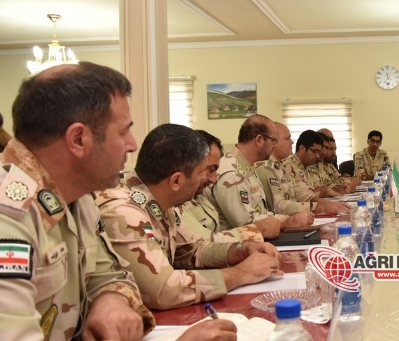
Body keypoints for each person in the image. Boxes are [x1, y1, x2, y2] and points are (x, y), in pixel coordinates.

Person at [0, 63, 236, 341]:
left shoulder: (79, 199)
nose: (132, 144)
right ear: (78, 139)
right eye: (123, 131)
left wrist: (110, 299)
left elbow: (112, 274)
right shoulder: (9, 216)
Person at [97, 123, 283, 310]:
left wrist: (242, 249)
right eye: (201, 172)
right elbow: (164, 290)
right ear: (176, 181)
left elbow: (194, 250)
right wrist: (240, 273)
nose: (208, 179)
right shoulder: (124, 211)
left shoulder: (163, 203)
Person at [178, 130, 280, 242]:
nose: (213, 179)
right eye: (209, 169)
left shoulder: (199, 196)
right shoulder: (175, 205)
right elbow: (203, 244)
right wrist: (258, 230)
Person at [203, 115, 282, 230]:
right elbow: (246, 224)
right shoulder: (232, 174)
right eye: (274, 140)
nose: (275, 145)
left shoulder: (246, 166)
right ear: (259, 140)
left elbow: (260, 212)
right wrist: (285, 221)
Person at [256, 124, 349, 215]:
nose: (292, 142)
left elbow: (297, 193)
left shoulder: (279, 166)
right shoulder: (267, 168)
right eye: (287, 138)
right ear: (274, 141)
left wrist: (321, 202)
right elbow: (278, 206)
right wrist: (316, 206)